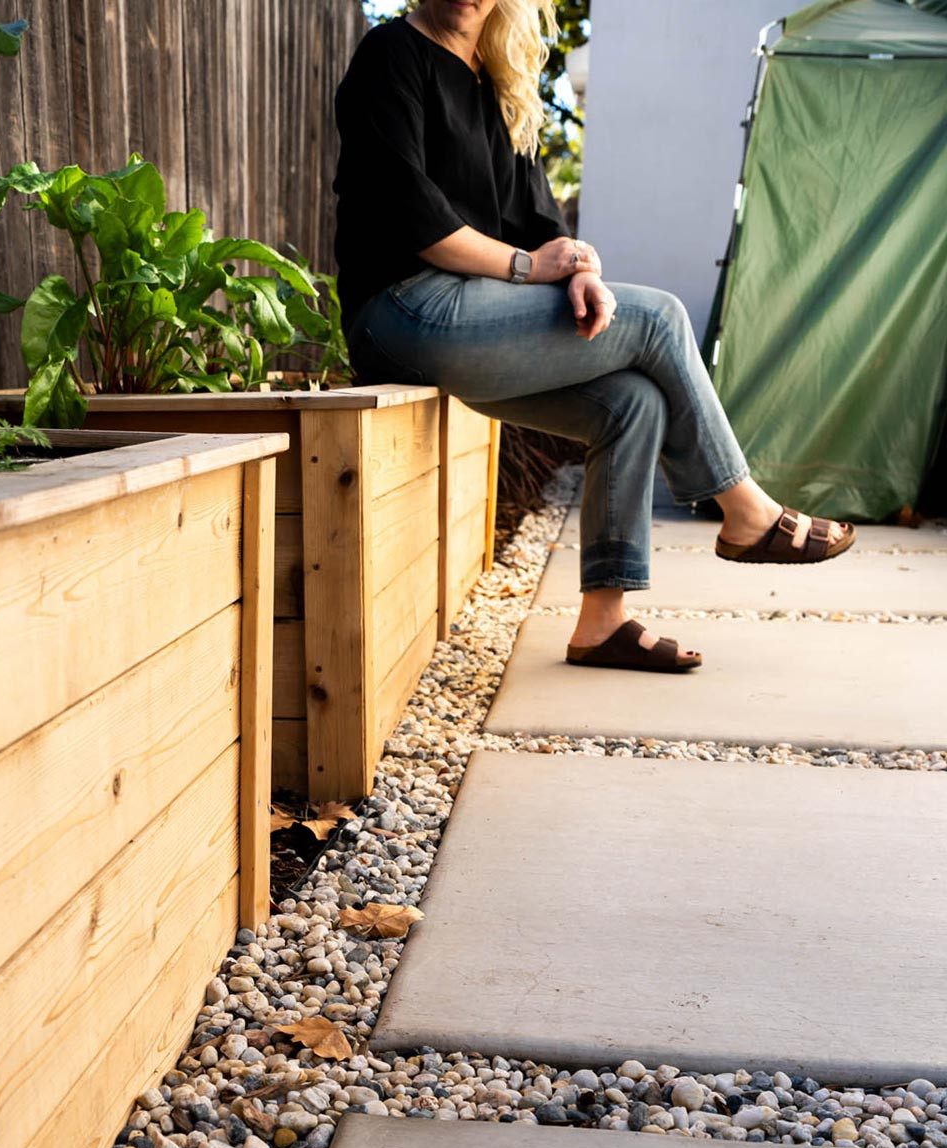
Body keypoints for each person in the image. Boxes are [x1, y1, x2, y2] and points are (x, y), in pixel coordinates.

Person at [332, 0, 854, 673]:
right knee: (660, 317)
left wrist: (579, 268)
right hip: (402, 313)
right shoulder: (391, 56)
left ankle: (602, 624)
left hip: (472, 316)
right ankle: (745, 509)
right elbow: (413, 216)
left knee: (633, 401)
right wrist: (527, 267)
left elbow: (538, 216)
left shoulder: (494, 80)